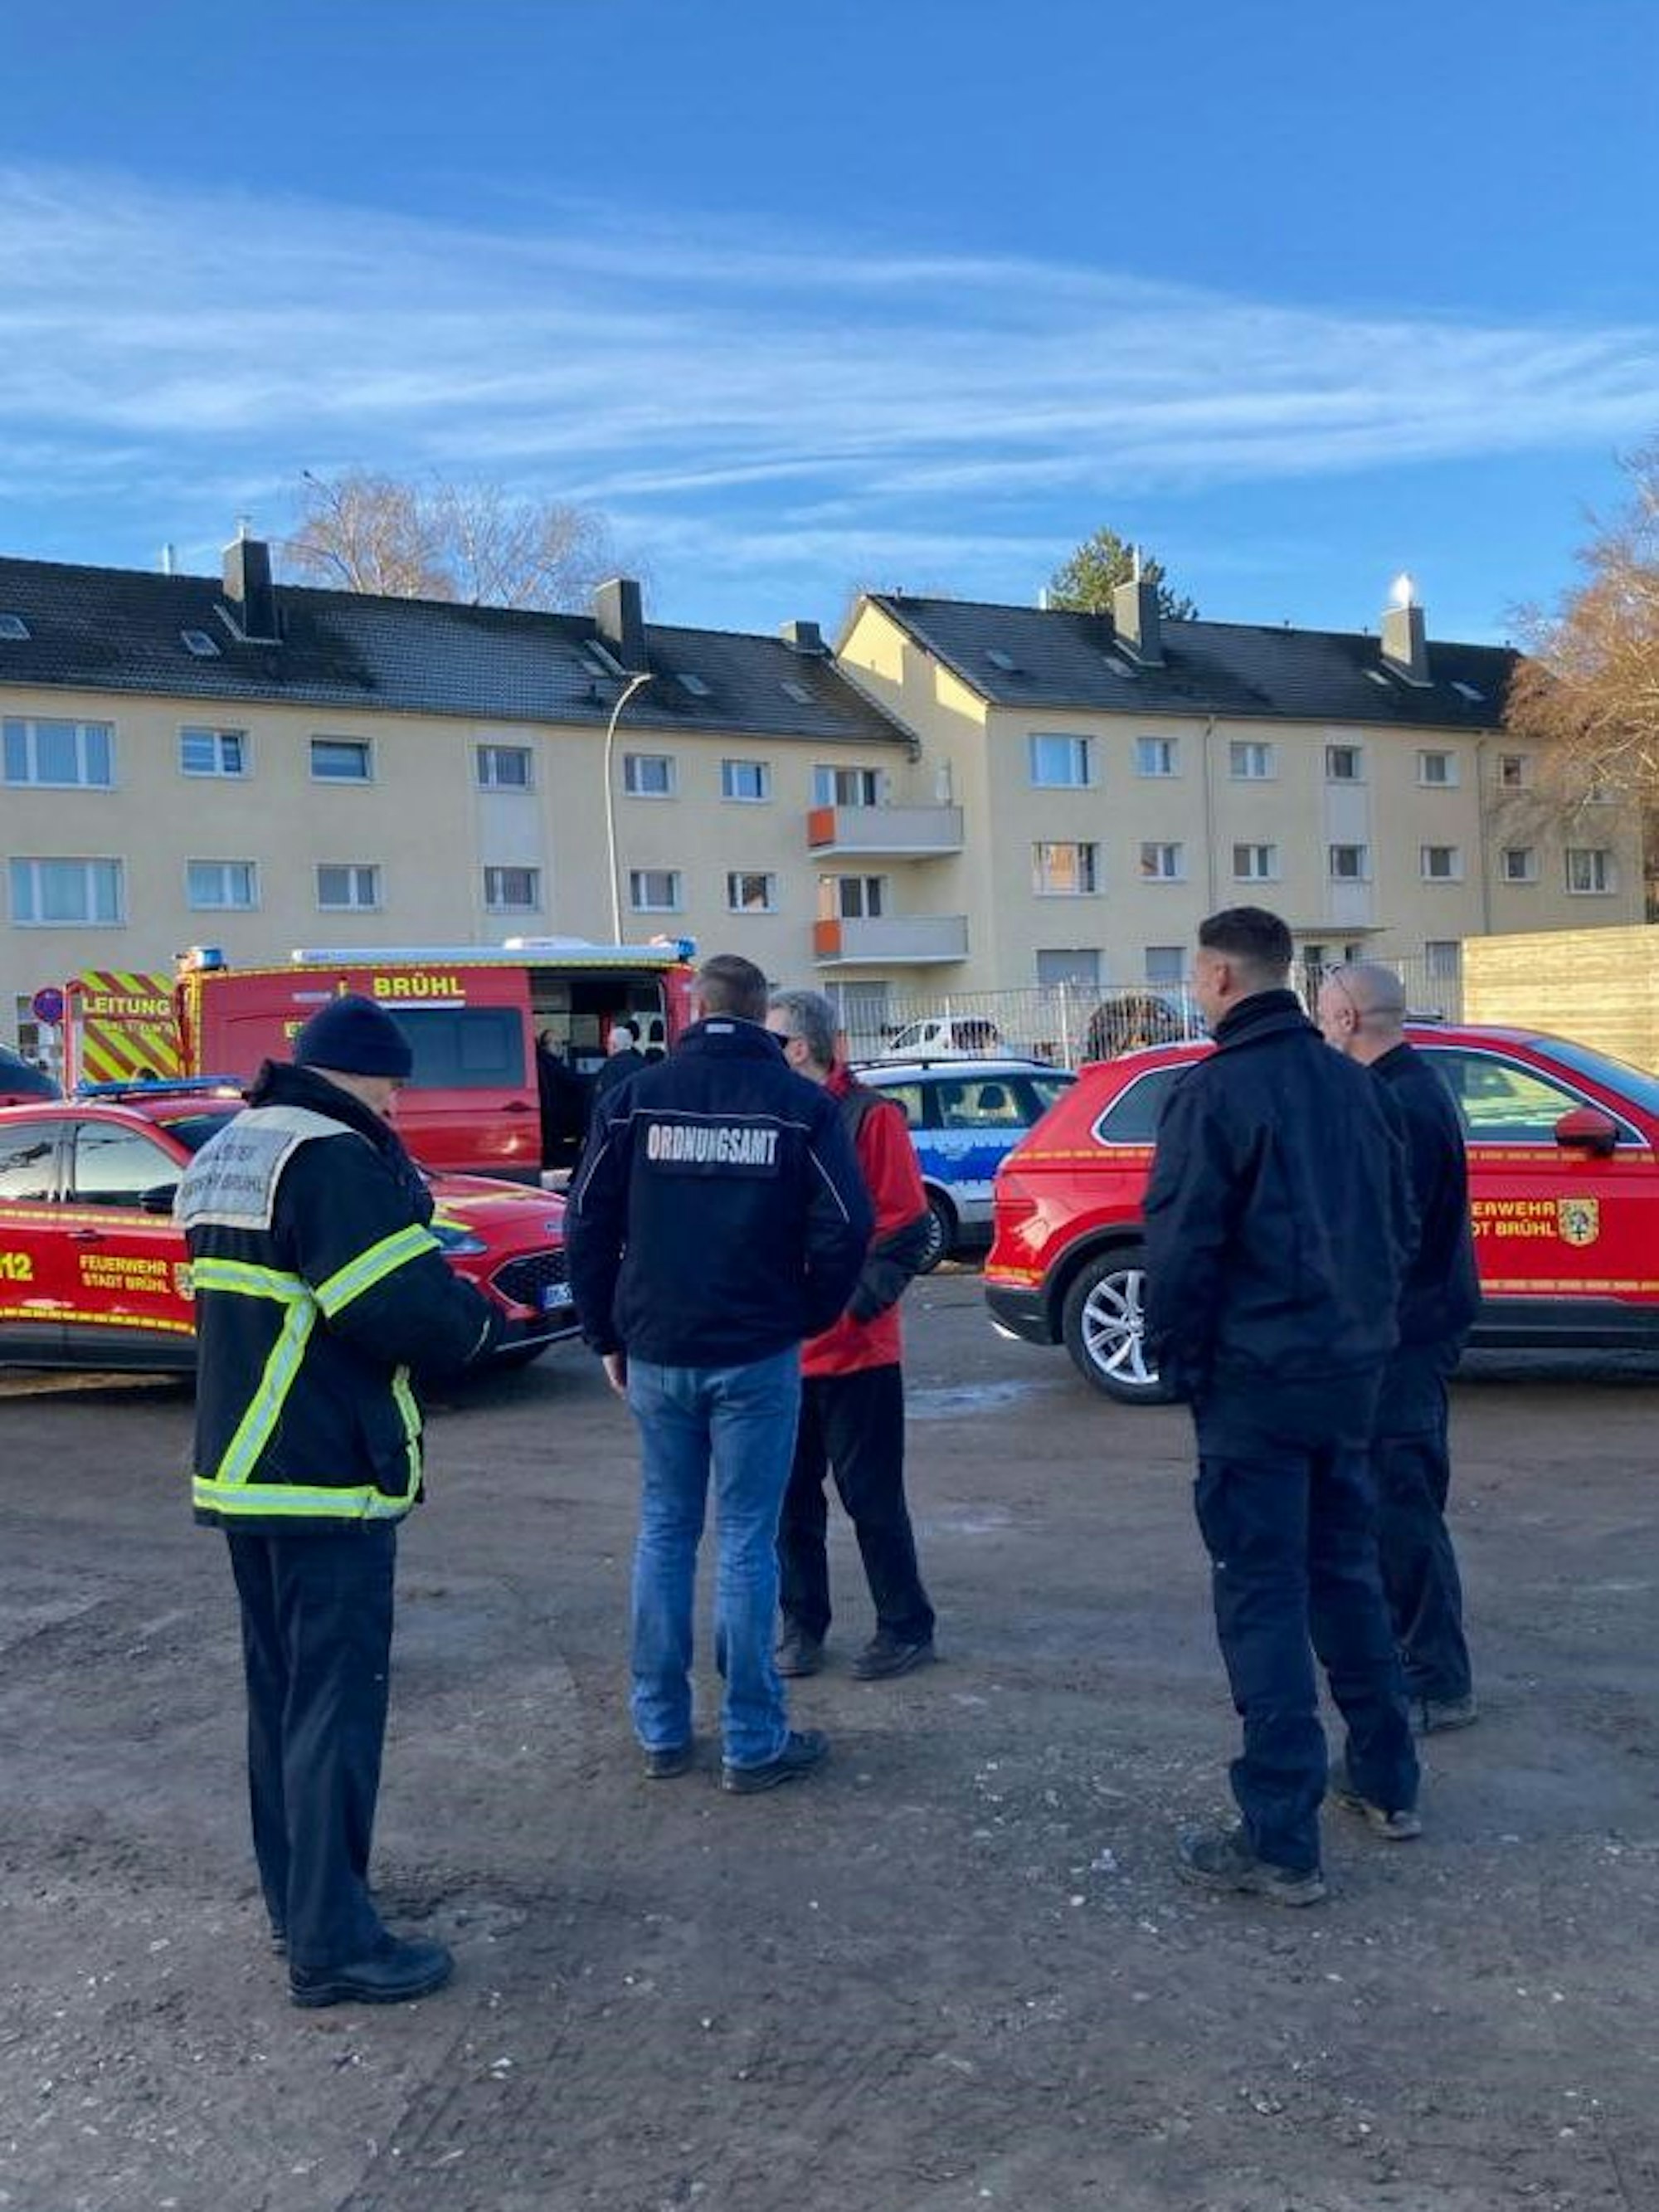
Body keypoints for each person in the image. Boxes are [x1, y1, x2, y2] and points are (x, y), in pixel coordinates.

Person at [176, 994, 499, 2007]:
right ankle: (334, 1941)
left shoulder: (235, 1145)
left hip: (245, 1462)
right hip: (322, 1472)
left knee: (281, 1701)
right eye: (394, 1084)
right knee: (333, 1708)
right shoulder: (331, 1157)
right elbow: (399, 1308)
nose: (398, 1103)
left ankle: (297, 1899)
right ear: (363, 1075)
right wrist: (474, 1317)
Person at [1143, 907, 1421, 1907]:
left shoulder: (1211, 1092)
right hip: (1345, 1376)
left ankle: (1279, 1832)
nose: (1191, 986)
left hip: (1254, 1386)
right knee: (1344, 1572)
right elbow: (1398, 1228)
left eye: (1192, 972)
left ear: (1219, 975)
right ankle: (1387, 1781)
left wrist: (1181, 1364)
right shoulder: (1358, 1089)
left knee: (1260, 1592)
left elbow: (1178, 1249)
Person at [566, 953, 872, 1794]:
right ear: (761, 1011)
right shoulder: (801, 1105)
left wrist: (603, 1332)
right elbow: (847, 1225)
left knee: (665, 1532)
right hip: (756, 1351)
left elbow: (585, 1222)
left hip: (658, 1347)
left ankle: (661, 1729)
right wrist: (804, 1312)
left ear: (692, 1010)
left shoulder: (632, 1098)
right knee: (744, 1539)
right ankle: (750, 1740)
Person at [1317, 961, 1481, 1735]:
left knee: (1402, 1507)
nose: (1321, 1029)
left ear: (1349, 1019)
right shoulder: (1414, 1088)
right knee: (1393, 1501)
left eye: (1323, 1015)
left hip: (1400, 1339)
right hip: (1410, 1328)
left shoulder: (1395, 1100)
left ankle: (1436, 1679)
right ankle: (1415, 1661)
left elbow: (1391, 1237)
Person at [765, 988, 937, 1681]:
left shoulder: (871, 1118)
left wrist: (850, 1310)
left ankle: (906, 1626)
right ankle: (802, 1626)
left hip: (857, 1353)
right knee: (790, 1504)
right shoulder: (778, 1113)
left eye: (771, 1041)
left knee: (872, 1501)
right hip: (785, 1352)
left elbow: (906, 1229)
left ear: (800, 1047)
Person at [589, 1018, 647, 1109]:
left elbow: (603, 1100)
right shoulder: (644, 1065)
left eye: (608, 1044)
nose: (607, 1048)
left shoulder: (609, 1068)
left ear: (614, 1046)